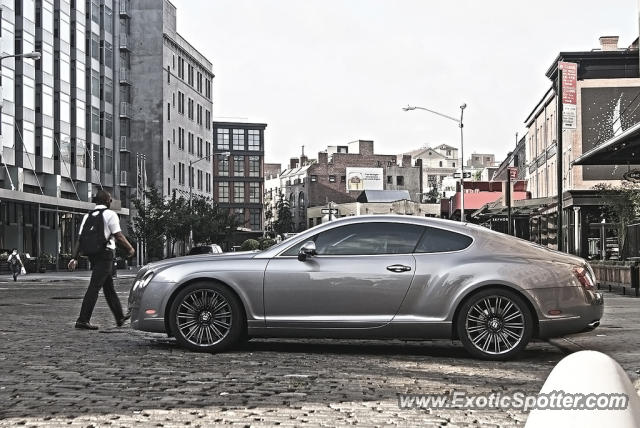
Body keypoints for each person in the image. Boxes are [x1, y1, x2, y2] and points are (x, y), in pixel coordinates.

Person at [68, 190, 135, 330]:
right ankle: (83, 319)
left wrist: (74, 258)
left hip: (93, 255)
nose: (111, 202)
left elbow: (80, 240)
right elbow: (119, 236)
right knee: (94, 287)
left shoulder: (88, 216)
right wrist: (130, 249)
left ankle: (119, 317)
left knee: (108, 287)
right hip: (105, 255)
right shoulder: (110, 215)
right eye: (110, 200)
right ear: (106, 201)